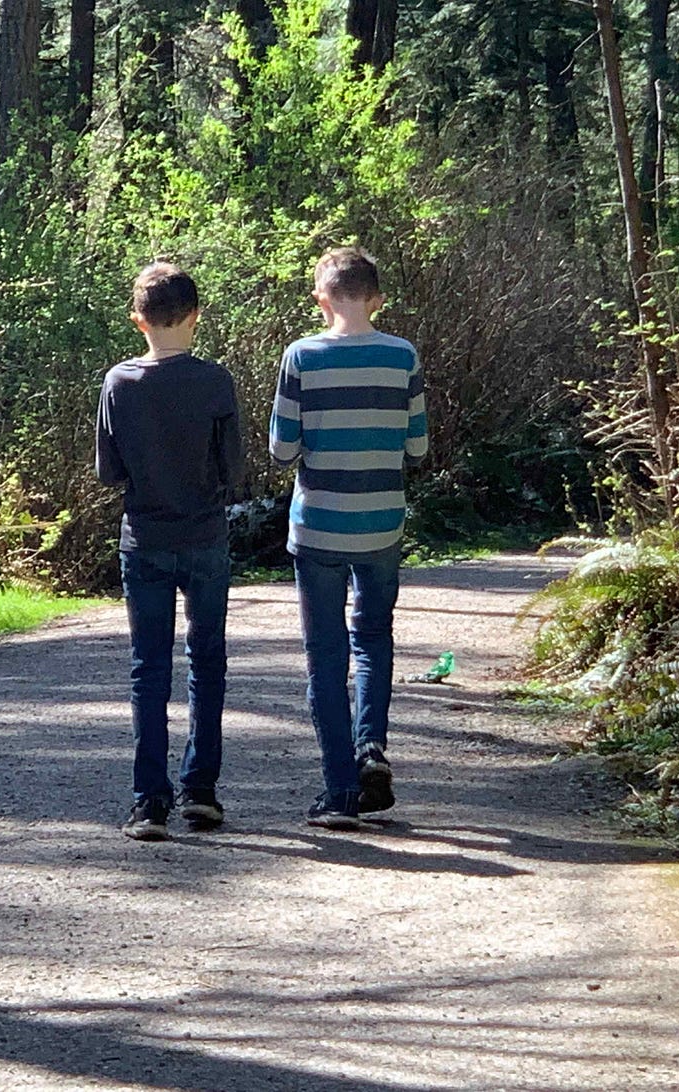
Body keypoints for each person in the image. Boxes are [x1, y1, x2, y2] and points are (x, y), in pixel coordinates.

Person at [268, 246, 428, 830]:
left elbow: (282, 450)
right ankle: (371, 748)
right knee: (374, 638)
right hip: (382, 521)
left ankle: (338, 792)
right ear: (378, 299)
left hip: (318, 525)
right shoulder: (402, 356)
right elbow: (417, 447)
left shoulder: (302, 356)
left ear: (321, 299)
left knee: (325, 653)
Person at [96, 262, 244, 841]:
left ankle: (148, 801)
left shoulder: (120, 382)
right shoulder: (214, 381)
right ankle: (201, 790)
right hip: (204, 535)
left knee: (148, 667)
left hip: (145, 537)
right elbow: (233, 468)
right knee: (207, 662)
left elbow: (109, 472)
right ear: (196, 317)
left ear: (139, 322)